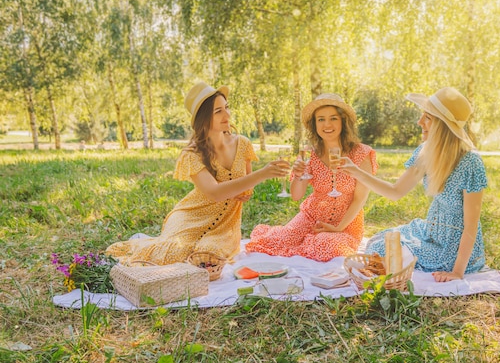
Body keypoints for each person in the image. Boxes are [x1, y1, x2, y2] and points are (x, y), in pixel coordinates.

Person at [106, 82, 290, 265]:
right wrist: (262, 174)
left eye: (226, 108)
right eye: (218, 111)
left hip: (225, 226)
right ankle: (143, 245)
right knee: (173, 254)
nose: (227, 115)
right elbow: (215, 192)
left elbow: (245, 189)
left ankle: (154, 243)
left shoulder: (243, 144)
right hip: (190, 215)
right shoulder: (191, 154)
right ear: (203, 118)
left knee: (208, 256)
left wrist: (246, 189)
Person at [338, 87, 487, 282]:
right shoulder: (426, 152)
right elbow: (395, 191)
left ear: (442, 125)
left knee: (387, 251)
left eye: (427, 118)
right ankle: (386, 267)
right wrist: (356, 171)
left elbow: (471, 226)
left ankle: (389, 268)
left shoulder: (471, 163)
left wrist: (457, 272)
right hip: (431, 232)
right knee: (378, 243)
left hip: (453, 247)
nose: (419, 122)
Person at [245, 93, 378, 262]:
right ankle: (304, 239)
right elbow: (296, 195)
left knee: (326, 245)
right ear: (314, 124)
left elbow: (359, 199)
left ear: (343, 121)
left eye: (333, 118)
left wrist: (338, 228)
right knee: (277, 241)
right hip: (311, 215)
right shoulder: (309, 153)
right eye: (321, 119)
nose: (327, 124)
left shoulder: (361, 153)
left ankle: (312, 241)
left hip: (345, 223)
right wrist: (299, 176)